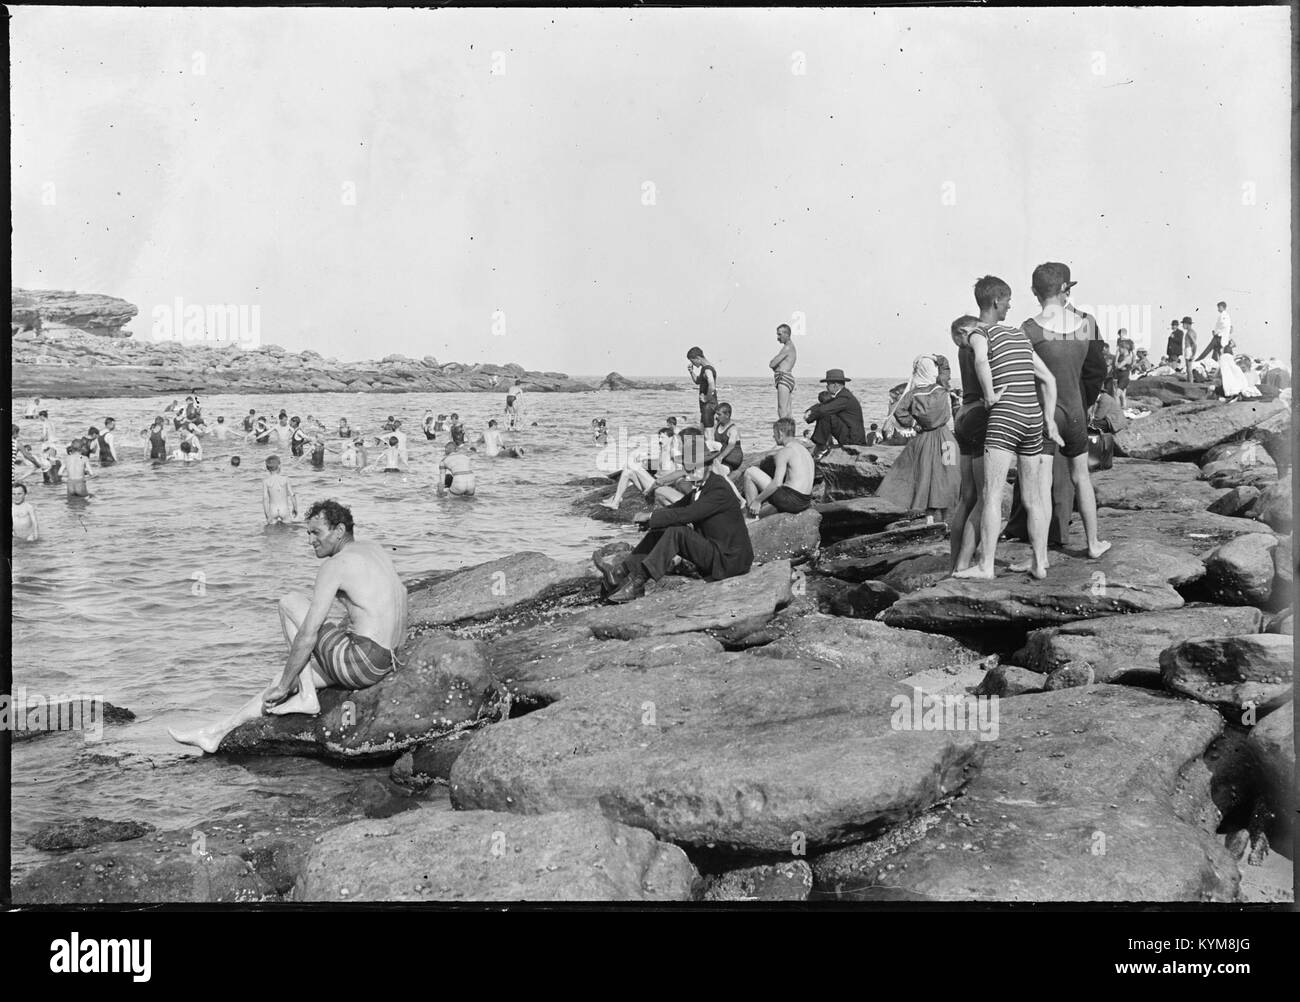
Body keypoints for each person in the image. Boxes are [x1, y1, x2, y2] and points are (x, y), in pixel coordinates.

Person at [169, 499, 409, 754]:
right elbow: (403, 593)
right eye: (307, 533)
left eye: (316, 532)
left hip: (360, 661)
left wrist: (287, 684)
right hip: (383, 660)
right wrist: (284, 681)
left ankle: (307, 697)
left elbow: (308, 634)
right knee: (280, 680)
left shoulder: (336, 564)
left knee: (289, 602)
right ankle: (215, 733)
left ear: (339, 531)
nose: (310, 540)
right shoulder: (374, 549)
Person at [954, 275, 1062, 581]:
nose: (1010, 304)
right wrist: (1049, 420)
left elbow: (980, 363)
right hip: (1032, 416)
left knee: (991, 494)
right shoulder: (1019, 335)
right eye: (1008, 299)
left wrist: (989, 394)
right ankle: (1039, 562)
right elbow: (1049, 380)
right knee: (1033, 497)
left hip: (1006, 415)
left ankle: (986, 566)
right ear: (996, 301)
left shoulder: (979, 333)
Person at [1018, 262, 1111, 560]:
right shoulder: (1087, 322)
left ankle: (1040, 558)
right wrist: (1085, 402)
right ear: (1066, 289)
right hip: (1075, 409)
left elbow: (1022, 378)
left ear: (1035, 291)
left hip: (1046, 414)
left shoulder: (1029, 330)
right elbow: (1097, 370)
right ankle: (1094, 543)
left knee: (1041, 487)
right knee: (1081, 477)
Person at [600, 428, 754, 603]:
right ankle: (620, 572)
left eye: (696, 468)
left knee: (677, 532)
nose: (691, 472)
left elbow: (687, 514)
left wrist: (650, 518)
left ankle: (638, 583)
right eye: (689, 468)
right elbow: (675, 509)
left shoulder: (718, 489)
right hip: (716, 552)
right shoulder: (701, 488)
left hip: (730, 561)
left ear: (708, 465)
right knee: (663, 527)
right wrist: (651, 521)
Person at [877, 355, 961, 524]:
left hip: (924, 439)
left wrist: (915, 424)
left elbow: (899, 412)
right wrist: (936, 357)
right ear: (932, 370)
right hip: (946, 439)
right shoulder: (941, 387)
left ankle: (929, 519)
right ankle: (946, 519)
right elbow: (945, 368)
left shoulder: (912, 394)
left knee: (926, 476)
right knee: (948, 474)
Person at [949, 314, 990, 572]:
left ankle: (954, 562)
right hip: (978, 414)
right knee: (985, 497)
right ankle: (965, 564)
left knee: (967, 497)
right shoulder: (977, 343)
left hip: (962, 414)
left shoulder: (963, 350)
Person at [742, 417, 816, 518]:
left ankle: (751, 517)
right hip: (805, 501)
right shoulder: (804, 450)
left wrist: (757, 501)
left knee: (750, 472)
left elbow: (777, 483)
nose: (773, 436)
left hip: (792, 501)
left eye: (774, 433)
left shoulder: (784, 452)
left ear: (780, 433)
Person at [803, 369, 866, 458]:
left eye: (828, 384)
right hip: (850, 435)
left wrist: (809, 417)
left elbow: (824, 410)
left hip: (853, 440)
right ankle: (821, 445)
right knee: (826, 411)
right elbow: (825, 404)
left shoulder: (844, 397)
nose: (827, 387)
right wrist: (810, 411)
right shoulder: (843, 395)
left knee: (827, 414)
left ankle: (821, 446)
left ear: (835, 385)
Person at [686, 347, 719, 440]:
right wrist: (691, 372)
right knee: (702, 431)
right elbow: (697, 381)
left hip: (709, 406)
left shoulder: (707, 369)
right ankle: (700, 453)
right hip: (707, 406)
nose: (693, 363)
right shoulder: (705, 368)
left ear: (698, 358)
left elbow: (712, 385)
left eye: (693, 361)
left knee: (708, 433)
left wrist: (707, 398)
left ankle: (710, 453)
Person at [769, 323, 797, 420]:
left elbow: (772, 364)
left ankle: (784, 432)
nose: (778, 337)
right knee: (788, 410)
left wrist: (773, 364)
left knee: (782, 409)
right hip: (786, 377)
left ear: (787, 334)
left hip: (783, 378)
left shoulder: (787, 347)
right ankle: (789, 433)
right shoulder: (790, 347)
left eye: (780, 334)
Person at [710, 403, 744, 476]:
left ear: (727, 415)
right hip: (722, 458)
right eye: (716, 414)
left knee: (715, 473)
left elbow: (731, 446)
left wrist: (720, 457)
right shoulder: (717, 425)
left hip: (732, 459)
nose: (716, 417)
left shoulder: (733, 429)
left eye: (719, 414)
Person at [262, 455, 298, 523]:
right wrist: (295, 508)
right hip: (284, 509)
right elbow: (292, 494)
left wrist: (267, 514)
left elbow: (265, 498)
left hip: (273, 510)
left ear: (267, 468)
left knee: (271, 531)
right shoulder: (285, 479)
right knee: (288, 530)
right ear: (279, 466)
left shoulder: (266, 481)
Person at [1112, 334, 1134, 408]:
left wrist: (1116, 357)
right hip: (1121, 377)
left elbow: (1118, 366)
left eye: (1120, 348)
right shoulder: (1123, 357)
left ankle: (1116, 410)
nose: (1119, 350)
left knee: (1116, 395)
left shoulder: (1128, 358)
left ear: (1125, 348)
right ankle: (1123, 408)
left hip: (1124, 379)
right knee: (1122, 395)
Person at [1179, 317, 1198, 381]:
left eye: (1183, 324)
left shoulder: (1189, 333)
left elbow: (1194, 344)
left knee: (1189, 369)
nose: (1182, 325)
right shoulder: (1192, 332)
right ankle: (1189, 382)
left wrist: (1193, 355)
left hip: (1189, 350)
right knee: (1188, 369)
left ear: (1187, 324)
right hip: (1189, 350)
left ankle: (1190, 384)